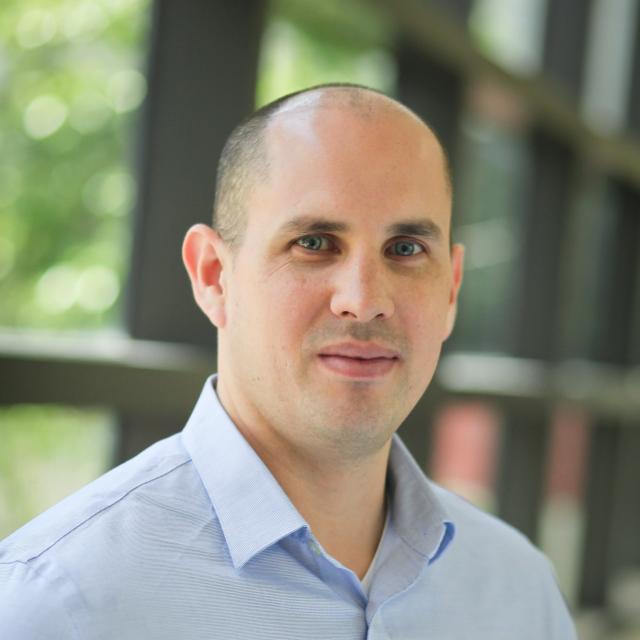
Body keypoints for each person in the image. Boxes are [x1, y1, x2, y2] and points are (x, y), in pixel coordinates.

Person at [0, 84, 576, 639]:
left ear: (450, 290)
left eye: (405, 249)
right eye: (314, 243)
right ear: (213, 276)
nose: (364, 300)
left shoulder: (519, 592)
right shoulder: (59, 606)